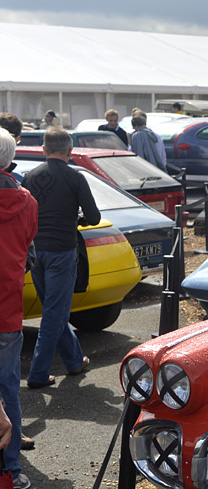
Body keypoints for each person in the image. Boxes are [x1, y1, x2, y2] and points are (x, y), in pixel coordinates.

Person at [22, 127, 97, 396]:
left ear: (43, 149)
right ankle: (38, 373)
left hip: (35, 251)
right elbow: (94, 217)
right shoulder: (75, 178)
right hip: (62, 251)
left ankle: (74, 361)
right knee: (55, 312)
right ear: (70, 151)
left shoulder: (30, 176)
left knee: (54, 309)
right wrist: (77, 218)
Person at [0, 128, 38, 489]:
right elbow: (28, 246)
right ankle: (11, 469)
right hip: (8, 308)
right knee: (8, 389)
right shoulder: (27, 201)